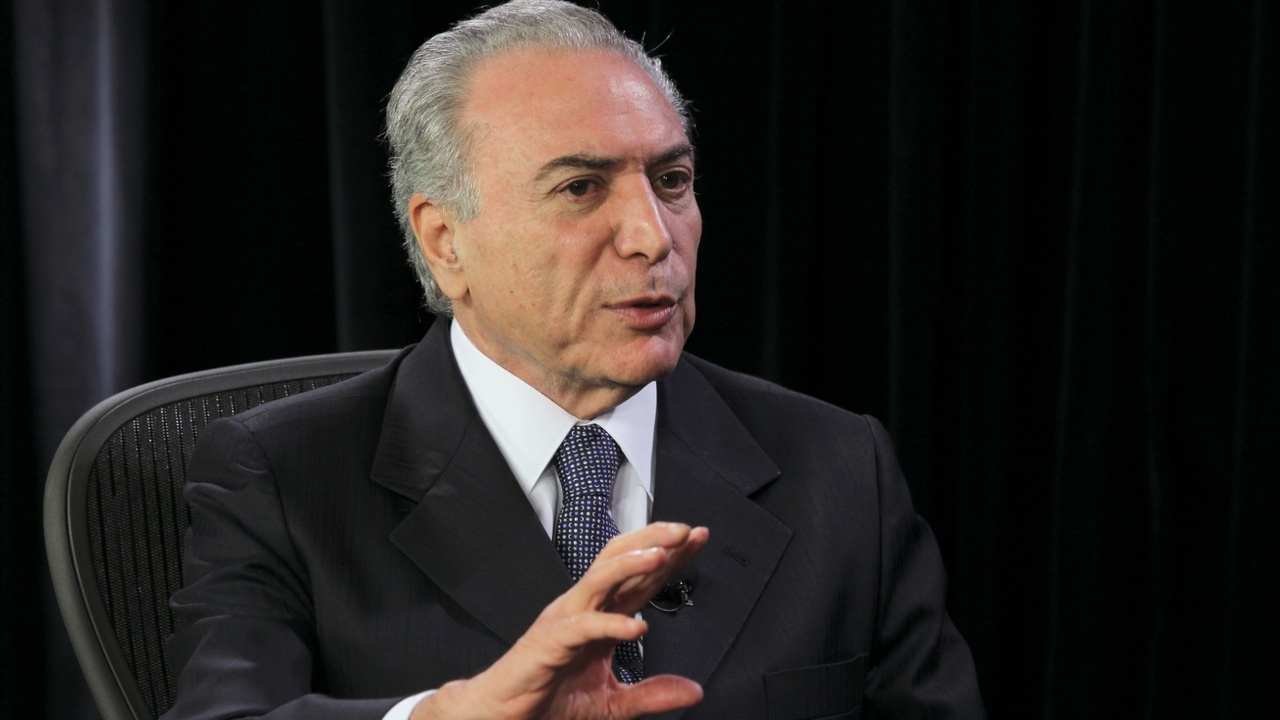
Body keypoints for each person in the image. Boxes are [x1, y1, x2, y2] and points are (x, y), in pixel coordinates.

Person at [163, 1, 985, 718]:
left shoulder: (841, 468)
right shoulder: (284, 478)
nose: (653, 236)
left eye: (672, 179)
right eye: (581, 188)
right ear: (445, 241)